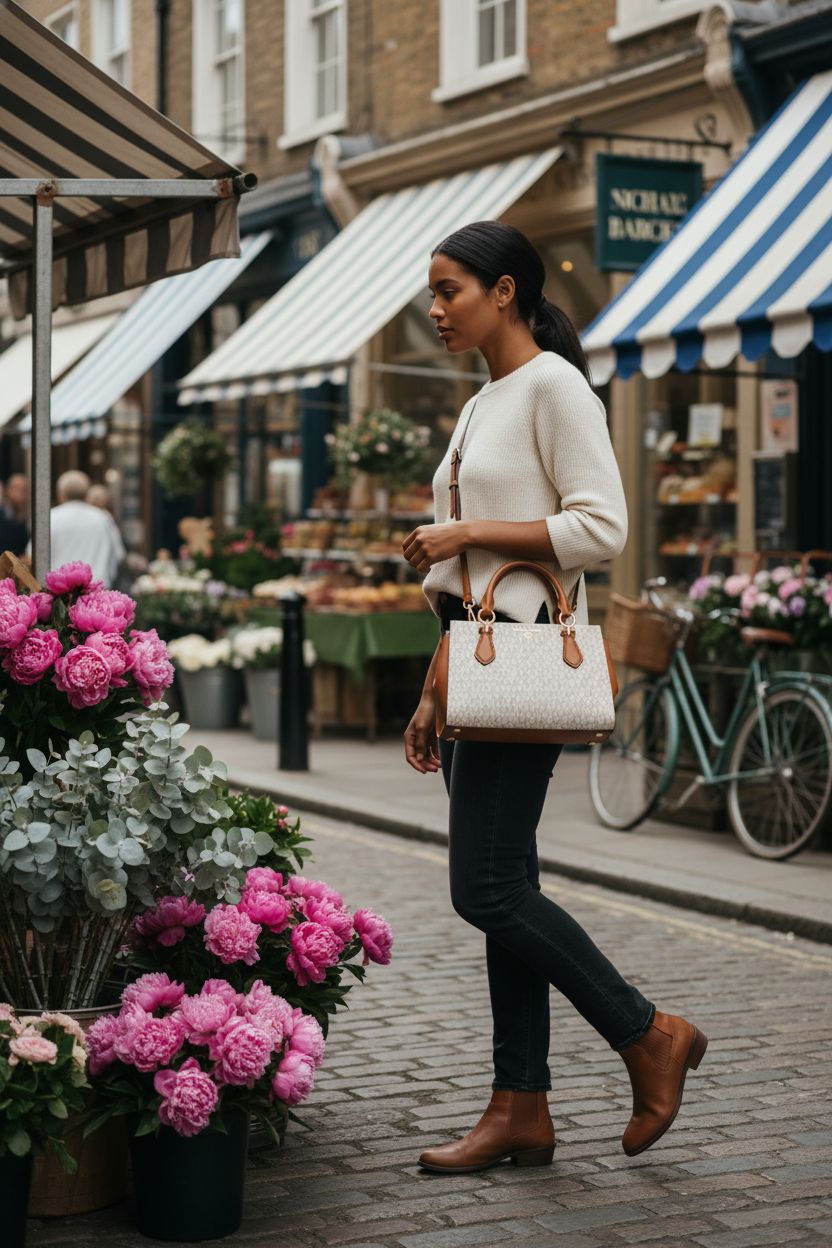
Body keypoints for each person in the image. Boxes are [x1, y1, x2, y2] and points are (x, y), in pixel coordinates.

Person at [401, 221, 707, 1175]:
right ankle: (520, 1105)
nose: (436, 308)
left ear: (505, 291)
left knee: (485, 889)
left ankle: (648, 1032)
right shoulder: (483, 401)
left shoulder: (554, 386)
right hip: (473, 663)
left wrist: (465, 534)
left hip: (525, 661)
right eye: (433, 291)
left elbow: (602, 525)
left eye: (450, 289)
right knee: (508, 896)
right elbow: (470, 576)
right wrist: (429, 691)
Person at [37, 470, 125, 587]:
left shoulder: (50, 518)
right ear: (86, 494)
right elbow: (119, 556)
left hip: (58, 596)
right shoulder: (103, 518)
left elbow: (34, 556)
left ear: (61, 494)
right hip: (96, 593)